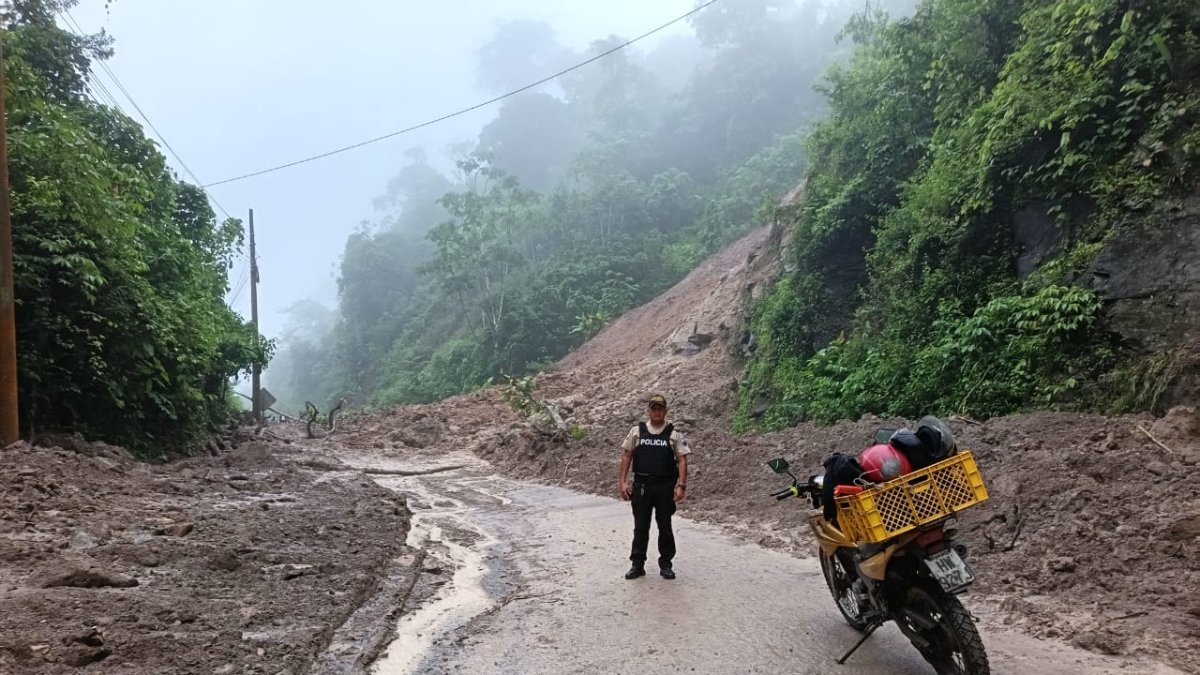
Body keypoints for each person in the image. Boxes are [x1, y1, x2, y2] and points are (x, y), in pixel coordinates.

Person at [618, 394, 690, 580]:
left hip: (664, 486)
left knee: (664, 526)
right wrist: (623, 482)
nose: (657, 412)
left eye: (660, 408)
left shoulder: (674, 433)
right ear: (648, 410)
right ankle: (637, 564)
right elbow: (627, 456)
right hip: (642, 486)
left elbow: (682, 461)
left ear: (666, 411)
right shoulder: (637, 432)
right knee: (640, 527)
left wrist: (681, 485)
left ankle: (666, 564)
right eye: (654, 408)